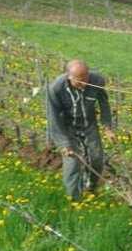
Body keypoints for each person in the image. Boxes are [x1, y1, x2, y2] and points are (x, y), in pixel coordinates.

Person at [46, 60, 114, 200]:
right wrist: (63, 144)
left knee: (96, 159)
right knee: (73, 163)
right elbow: (54, 119)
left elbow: (104, 104)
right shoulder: (55, 89)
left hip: (89, 124)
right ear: (69, 77)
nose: (84, 84)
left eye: (86, 79)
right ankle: (74, 200)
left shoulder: (96, 81)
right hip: (67, 127)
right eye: (79, 81)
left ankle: (91, 188)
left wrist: (107, 127)